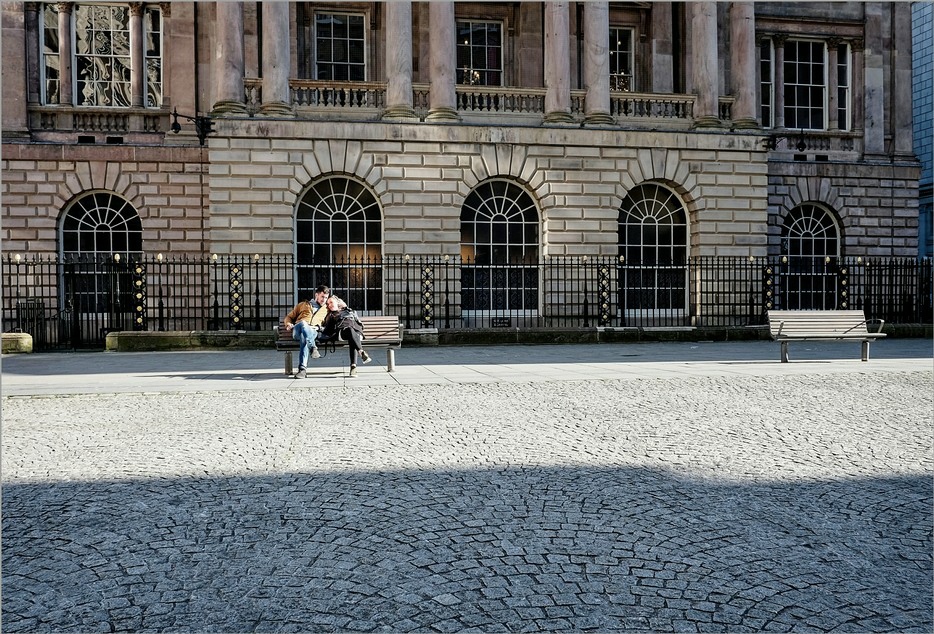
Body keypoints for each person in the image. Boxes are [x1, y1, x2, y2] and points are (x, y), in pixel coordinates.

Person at [282, 285, 330, 379]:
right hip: (298, 330)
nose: (324, 300)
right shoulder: (303, 304)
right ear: (316, 295)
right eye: (322, 297)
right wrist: (288, 324)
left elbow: (329, 323)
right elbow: (289, 317)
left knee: (305, 337)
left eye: (326, 297)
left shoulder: (327, 309)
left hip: (312, 331)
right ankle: (313, 347)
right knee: (304, 323)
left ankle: (302, 370)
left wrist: (319, 328)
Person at [319, 295, 371, 377]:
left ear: (337, 302)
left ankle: (354, 366)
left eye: (331, 302)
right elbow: (327, 330)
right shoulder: (331, 315)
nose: (329, 305)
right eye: (328, 304)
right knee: (350, 331)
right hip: (342, 332)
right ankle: (360, 353)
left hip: (356, 332)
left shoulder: (350, 311)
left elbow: (359, 322)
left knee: (352, 336)